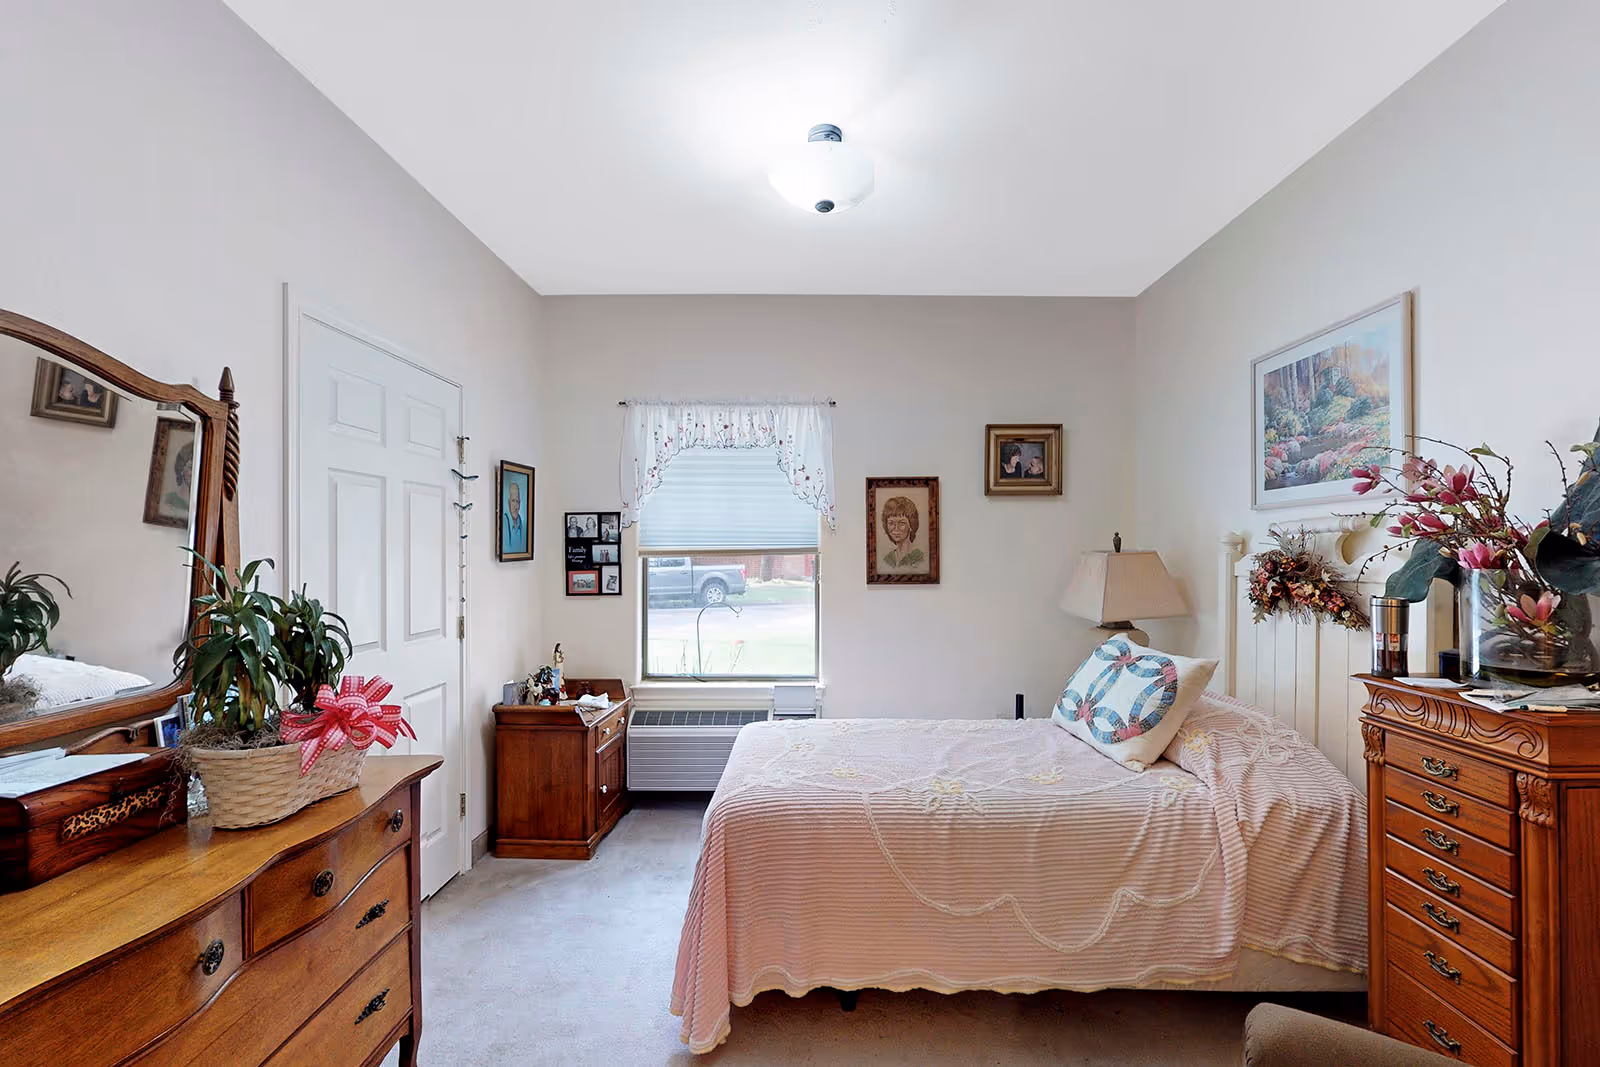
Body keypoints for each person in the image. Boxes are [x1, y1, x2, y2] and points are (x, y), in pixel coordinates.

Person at [880, 496, 925, 570]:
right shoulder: (888, 559)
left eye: (902, 523)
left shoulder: (920, 559)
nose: (896, 528)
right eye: (891, 523)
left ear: (911, 525)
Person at [502, 480, 527, 554]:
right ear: (508, 502)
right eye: (513, 501)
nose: (515, 506)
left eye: (517, 501)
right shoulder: (503, 522)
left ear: (520, 504)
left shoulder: (523, 525)